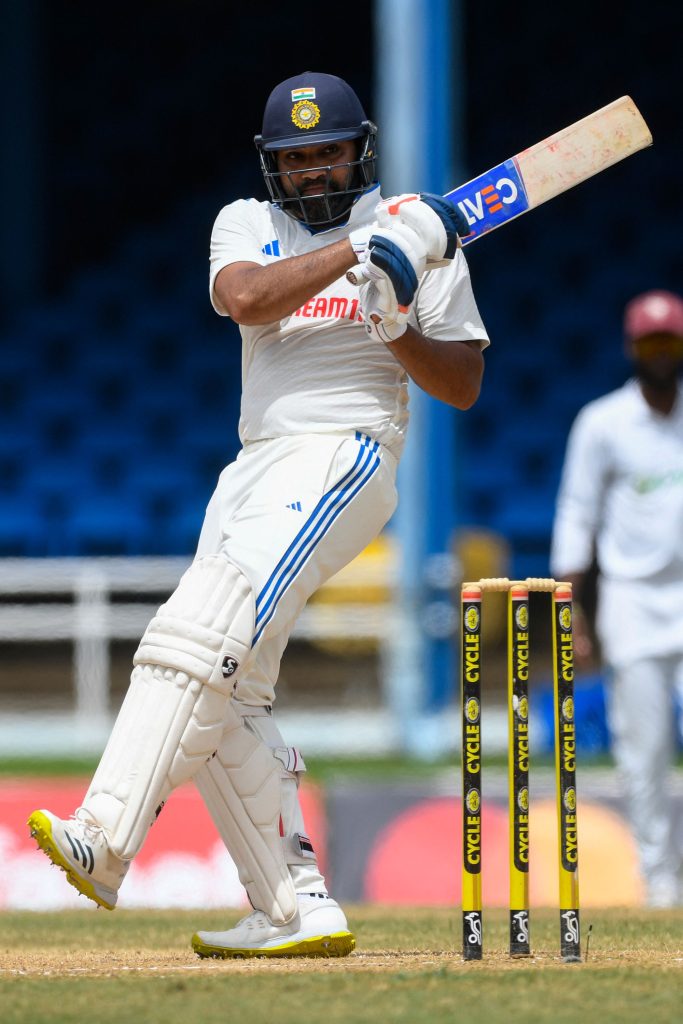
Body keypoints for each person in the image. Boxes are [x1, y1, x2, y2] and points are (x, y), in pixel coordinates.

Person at [28, 72, 489, 956]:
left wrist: (397, 326)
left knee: (193, 632)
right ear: (272, 166)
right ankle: (295, 908)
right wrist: (368, 248)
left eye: (327, 153)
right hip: (253, 466)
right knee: (230, 688)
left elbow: (462, 385)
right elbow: (246, 298)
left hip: (344, 449)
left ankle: (106, 837)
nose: (313, 172)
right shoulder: (251, 222)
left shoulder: (424, 241)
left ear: (360, 148)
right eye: (296, 159)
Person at [550, 289, 683, 908]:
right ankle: (660, 881)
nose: (661, 353)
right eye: (651, 342)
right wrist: (574, 617)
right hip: (631, 600)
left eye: (670, 342)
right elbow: (577, 517)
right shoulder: (602, 423)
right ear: (633, 348)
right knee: (645, 749)